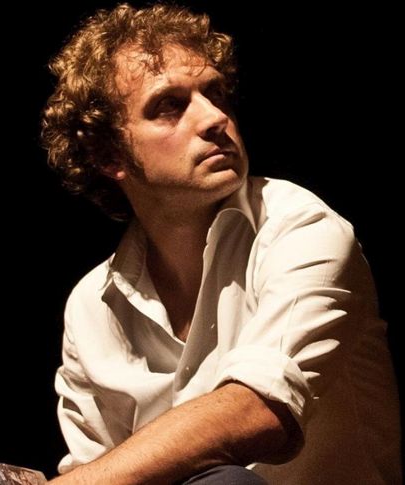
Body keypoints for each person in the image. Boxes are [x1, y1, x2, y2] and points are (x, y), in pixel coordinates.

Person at [40, 3, 401, 484]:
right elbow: (100, 472)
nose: (214, 118)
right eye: (170, 105)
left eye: (216, 94)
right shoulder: (91, 307)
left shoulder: (301, 228)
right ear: (108, 155)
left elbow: (257, 411)